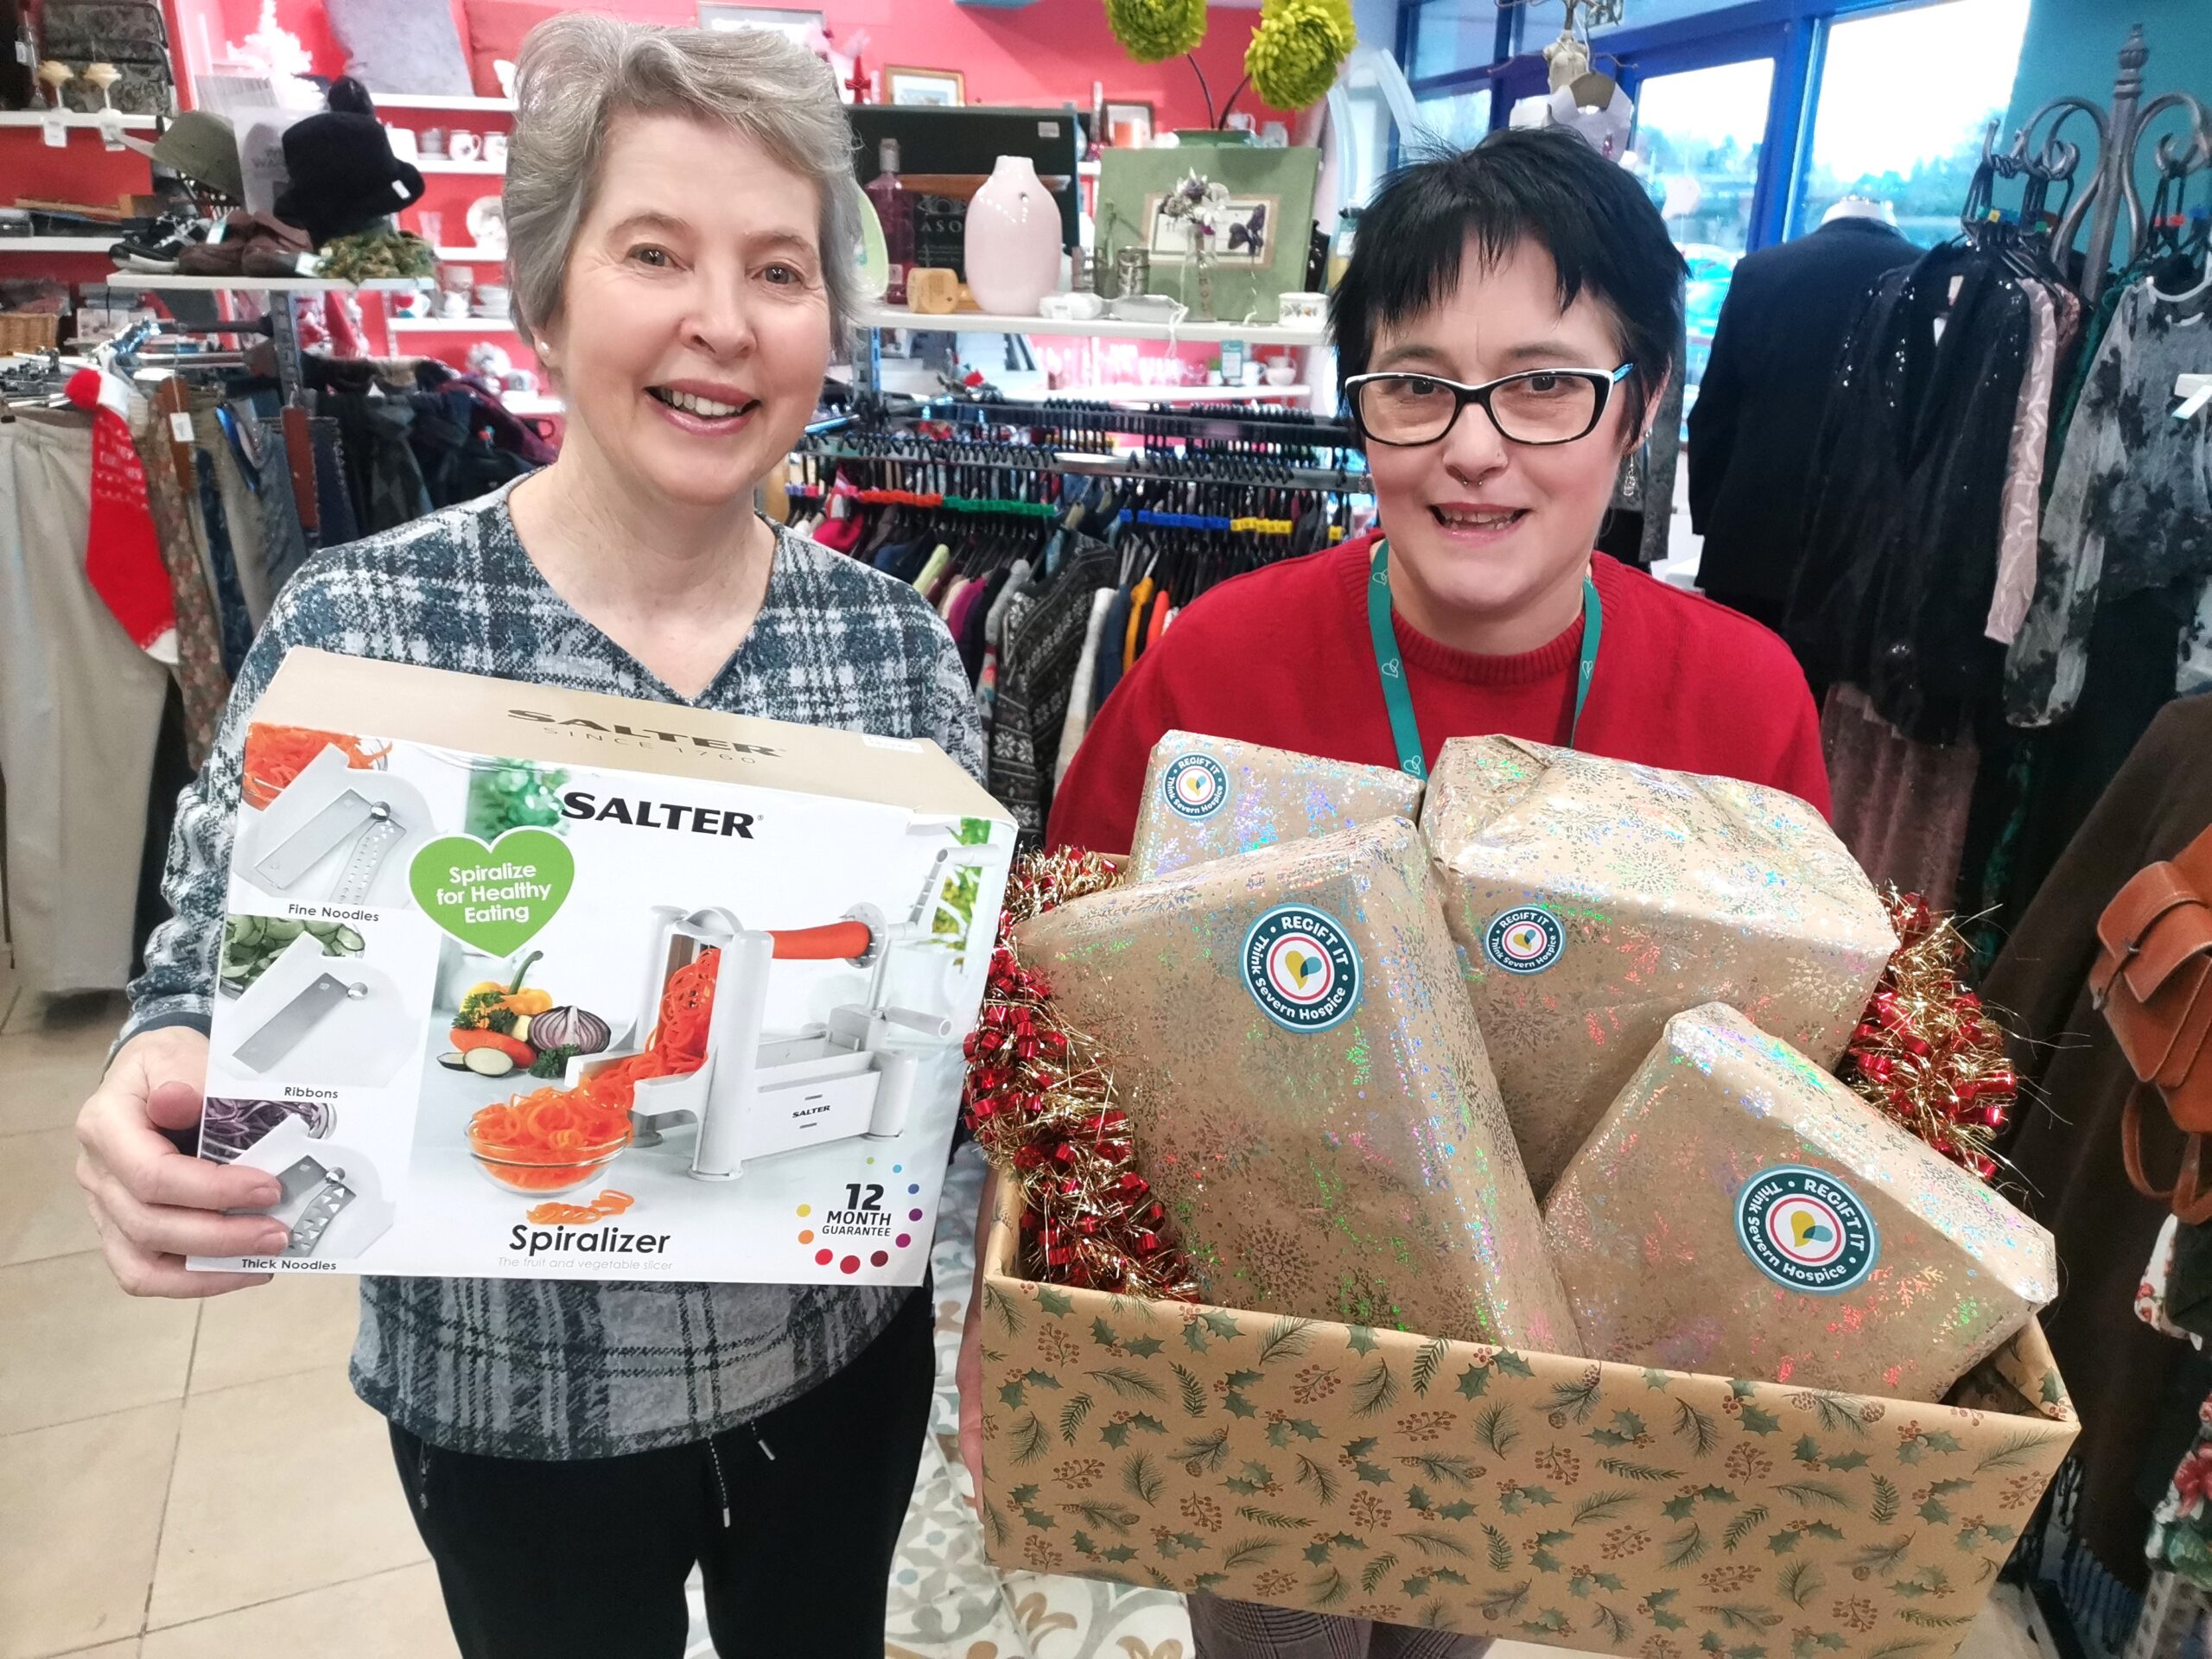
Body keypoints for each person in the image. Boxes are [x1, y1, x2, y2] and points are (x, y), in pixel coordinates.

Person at [73, 20, 970, 1658]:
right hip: (507, 1397)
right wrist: (166, 1069)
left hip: (830, 1368)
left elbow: (941, 1022)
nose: (721, 321)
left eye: (780, 269)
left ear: (829, 323)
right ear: (547, 297)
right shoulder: (373, 621)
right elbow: (213, 949)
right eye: (655, 252)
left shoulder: (895, 650)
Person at [960, 129, 1831, 1659]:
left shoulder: (1740, 701)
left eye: (1546, 383)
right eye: (1416, 384)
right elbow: (1055, 1008)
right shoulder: (1215, 670)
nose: (1472, 447)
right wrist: (1013, 1317)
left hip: (1552, 1376)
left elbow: (1797, 1072)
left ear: (1636, 410)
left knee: (1451, 1635)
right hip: (1261, 1347)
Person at [1687, 196, 1916, 639]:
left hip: (1751, 534)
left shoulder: (1759, 270)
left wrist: (1713, 521)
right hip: (1864, 549)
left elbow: (1714, 411)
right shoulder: (1921, 279)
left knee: (1736, 688)